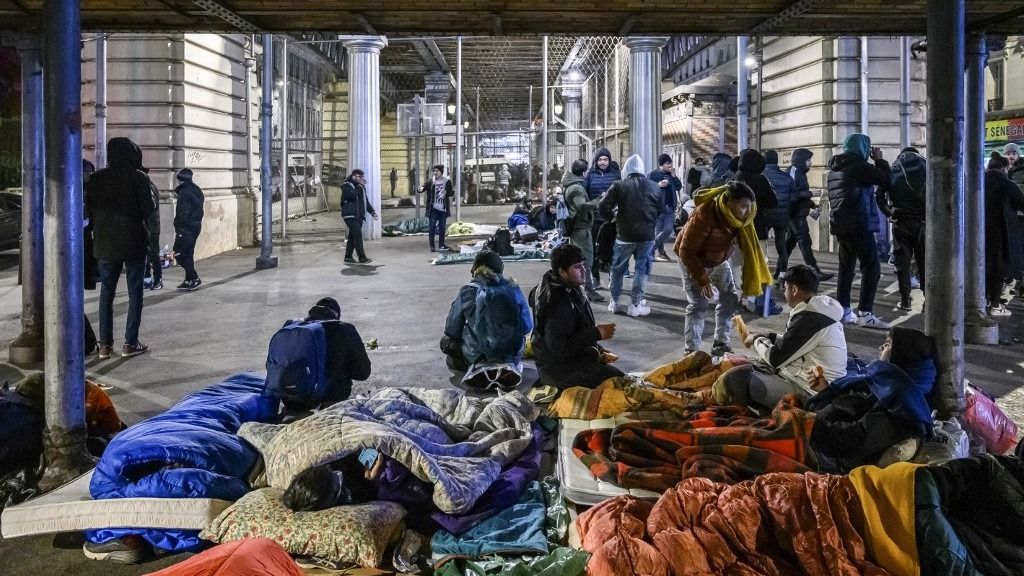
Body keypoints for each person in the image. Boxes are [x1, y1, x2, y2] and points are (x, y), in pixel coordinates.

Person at [714, 265, 847, 411]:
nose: (784, 293)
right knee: (745, 368)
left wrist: (757, 340)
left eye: (785, 288)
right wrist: (769, 337)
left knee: (736, 380)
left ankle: (743, 414)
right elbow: (795, 342)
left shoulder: (809, 318)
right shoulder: (818, 310)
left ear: (794, 290)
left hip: (812, 393)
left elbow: (775, 358)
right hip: (808, 382)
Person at [674, 181, 772, 356]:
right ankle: (691, 352)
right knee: (699, 304)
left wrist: (755, 271)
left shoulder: (742, 219)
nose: (748, 211)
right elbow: (686, 251)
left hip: (718, 260)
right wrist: (702, 280)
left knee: (730, 299)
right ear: (728, 202)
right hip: (692, 260)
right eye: (743, 206)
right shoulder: (705, 214)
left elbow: (748, 248)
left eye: (750, 206)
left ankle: (721, 342)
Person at [84, 137, 156, 360]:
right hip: (133, 241)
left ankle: (104, 346)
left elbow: (90, 208)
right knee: (135, 293)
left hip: (105, 242)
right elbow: (148, 210)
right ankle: (130, 343)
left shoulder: (97, 178)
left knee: (107, 293)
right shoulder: (138, 177)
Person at [529, 243, 623, 389]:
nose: (584, 271)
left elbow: (576, 328)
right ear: (562, 271)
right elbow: (558, 348)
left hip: (571, 361)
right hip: (559, 371)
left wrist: (597, 348)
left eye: (582, 265)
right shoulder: (556, 301)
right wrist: (596, 333)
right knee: (620, 383)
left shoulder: (568, 287)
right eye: (577, 267)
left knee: (619, 378)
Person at [440, 251, 533, 390]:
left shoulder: (468, 291)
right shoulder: (513, 289)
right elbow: (527, 326)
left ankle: (479, 366)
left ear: (475, 270)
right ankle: (505, 367)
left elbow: (452, 329)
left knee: (447, 343)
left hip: (478, 354)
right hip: (512, 355)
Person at [826, 133, 892, 329]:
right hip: (858, 223)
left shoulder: (835, 169)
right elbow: (887, 181)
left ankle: (844, 311)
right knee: (871, 268)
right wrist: (880, 161)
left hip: (841, 225)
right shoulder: (859, 167)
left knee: (846, 269)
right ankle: (865, 313)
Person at [600, 154, 662, 317]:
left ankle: (614, 302)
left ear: (626, 169)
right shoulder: (655, 186)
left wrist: (612, 217)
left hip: (624, 235)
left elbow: (603, 206)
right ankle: (635, 305)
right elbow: (660, 209)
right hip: (646, 235)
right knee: (641, 270)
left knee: (618, 269)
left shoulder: (619, 185)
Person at [303, 297, 371, 406]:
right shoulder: (345, 330)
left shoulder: (295, 328)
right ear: (337, 316)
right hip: (332, 396)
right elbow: (363, 373)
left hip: (294, 396)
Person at [885, 147, 927, 311]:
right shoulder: (925, 169)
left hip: (900, 221)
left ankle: (905, 300)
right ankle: (927, 301)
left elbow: (880, 196)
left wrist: (889, 212)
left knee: (902, 262)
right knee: (924, 262)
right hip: (922, 222)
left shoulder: (894, 170)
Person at [985, 152, 1024, 317]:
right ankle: (994, 305)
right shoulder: (1007, 185)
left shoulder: (977, 182)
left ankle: (982, 302)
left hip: (977, 234)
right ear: (1003, 168)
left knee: (982, 268)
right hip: (1001, 233)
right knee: (998, 269)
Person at [784, 148, 831, 280]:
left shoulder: (799, 172)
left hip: (797, 214)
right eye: (808, 160)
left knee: (789, 246)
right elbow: (792, 195)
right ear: (801, 160)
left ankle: (779, 273)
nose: (810, 163)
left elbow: (799, 194)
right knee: (805, 242)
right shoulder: (793, 171)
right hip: (794, 215)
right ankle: (815, 272)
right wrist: (811, 194)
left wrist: (812, 205)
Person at [563, 159, 604, 302]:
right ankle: (588, 289)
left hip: (576, 227)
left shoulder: (570, 183)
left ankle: (576, 286)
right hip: (581, 228)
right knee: (586, 259)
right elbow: (581, 206)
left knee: (576, 257)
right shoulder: (576, 188)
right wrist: (598, 201)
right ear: (584, 172)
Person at [584, 148, 621, 288]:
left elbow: (620, 192)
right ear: (596, 161)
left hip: (611, 218)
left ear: (609, 160)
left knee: (612, 247)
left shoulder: (615, 174)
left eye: (605, 159)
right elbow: (585, 193)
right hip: (594, 217)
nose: (603, 162)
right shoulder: (590, 174)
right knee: (593, 248)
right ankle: (595, 277)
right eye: (600, 159)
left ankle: (612, 275)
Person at [132, 147, 162, 292]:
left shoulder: (148, 187)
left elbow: (150, 207)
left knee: (153, 255)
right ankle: (148, 279)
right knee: (145, 255)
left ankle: (158, 279)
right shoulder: (145, 187)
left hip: (151, 227)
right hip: (146, 227)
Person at [761, 150, 795, 279]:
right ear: (777, 161)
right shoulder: (786, 177)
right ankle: (782, 274)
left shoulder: (762, 175)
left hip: (766, 215)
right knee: (781, 245)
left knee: (762, 244)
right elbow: (793, 196)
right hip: (782, 216)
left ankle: (763, 273)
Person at [172, 168, 204, 290]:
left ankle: (194, 277)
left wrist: (179, 229)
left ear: (179, 179)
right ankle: (189, 279)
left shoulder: (184, 192)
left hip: (186, 227)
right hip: (196, 226)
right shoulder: (196, 190)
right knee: (189, 253)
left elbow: (182, 212)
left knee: (179, 254)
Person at [648, 153, 683, 262]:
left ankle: (650, 250)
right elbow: (647, 188)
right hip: (657, 208)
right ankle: (658, 253)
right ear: (661, 165)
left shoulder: (671, 175)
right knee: (657, 232)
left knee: (668, 230)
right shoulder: (653, 175)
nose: (670, 165)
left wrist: (674, 176)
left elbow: (679, 187)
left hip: (670, 208)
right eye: (668, 163)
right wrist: (658, 185)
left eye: (670, 163)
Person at [341, 169, 378, 264]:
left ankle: (348, 257)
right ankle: (362, 257)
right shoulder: (346, 185)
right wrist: (359, 186)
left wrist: (372, 212)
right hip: (350, 215)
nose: (361, 179)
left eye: (362, 177)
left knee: (352, 237)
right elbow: (352, 195)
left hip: (359, 216)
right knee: (358, 235)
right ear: (353, 176)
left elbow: (365, 201)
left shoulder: (360, 187)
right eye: (359, 177)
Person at [422, 165, 454, 252]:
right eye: (434, 171)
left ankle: (441, 245)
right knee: (431, 228)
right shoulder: (430, 182)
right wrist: (420, 189)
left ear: (441, 172)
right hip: (433, 209)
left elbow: (451, 192)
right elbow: (423, 187)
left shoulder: (447, 181)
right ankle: (432, 246)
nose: (435, 173)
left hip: (443, 209)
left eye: (437, 171)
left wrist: (446, 192)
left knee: (442, 228)